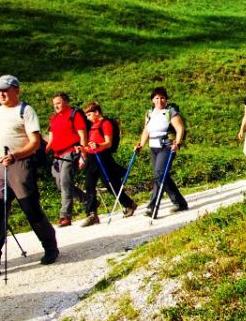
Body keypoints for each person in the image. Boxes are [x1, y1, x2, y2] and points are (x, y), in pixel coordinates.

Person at [0, 75, 58, 278]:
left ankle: (50, 246)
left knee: (30, 208)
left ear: (16, 90)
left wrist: (15, 155)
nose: (1, 93)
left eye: (5, 89)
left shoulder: (25, 111)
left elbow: (35, 142)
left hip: (21, 164)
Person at [81, 101, 137, 226]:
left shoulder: (105, 124)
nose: (87, 117)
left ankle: (129, 204)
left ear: (96, 112)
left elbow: (108, 143)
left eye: (89, 114)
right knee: (89, 185)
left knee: (110, 184)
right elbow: (91, 144)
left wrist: (98, 145)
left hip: (103, 157)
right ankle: (92, 214)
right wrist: (83, 149)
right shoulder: (93, 126)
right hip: (92, 157)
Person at [135, 87, 188, 216]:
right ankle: (180, 203)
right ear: (153, 100)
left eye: (162, 97)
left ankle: (153, 207)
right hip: (153, 148)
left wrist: (178, 143)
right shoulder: (149, 113)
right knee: (162, 175)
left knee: (159, 174)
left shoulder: (171, 111)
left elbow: (180, 128)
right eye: (157, 98)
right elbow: (146, 130)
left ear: (166, 99)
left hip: (167, 146)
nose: (160, 100)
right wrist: (141, 145)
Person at [44, 92, 87, 227]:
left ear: (66, 102)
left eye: (58, 103)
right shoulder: (54, 118)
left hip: (71, 152)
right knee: (60, 183)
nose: (56, 106)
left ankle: (65, 216)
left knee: (65, 182)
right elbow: (51, 138)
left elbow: (82, 134)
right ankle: (88, 200)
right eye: (54, 104)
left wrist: (83, 154)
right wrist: (44, 149)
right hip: (57, 155)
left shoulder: (74, 114)